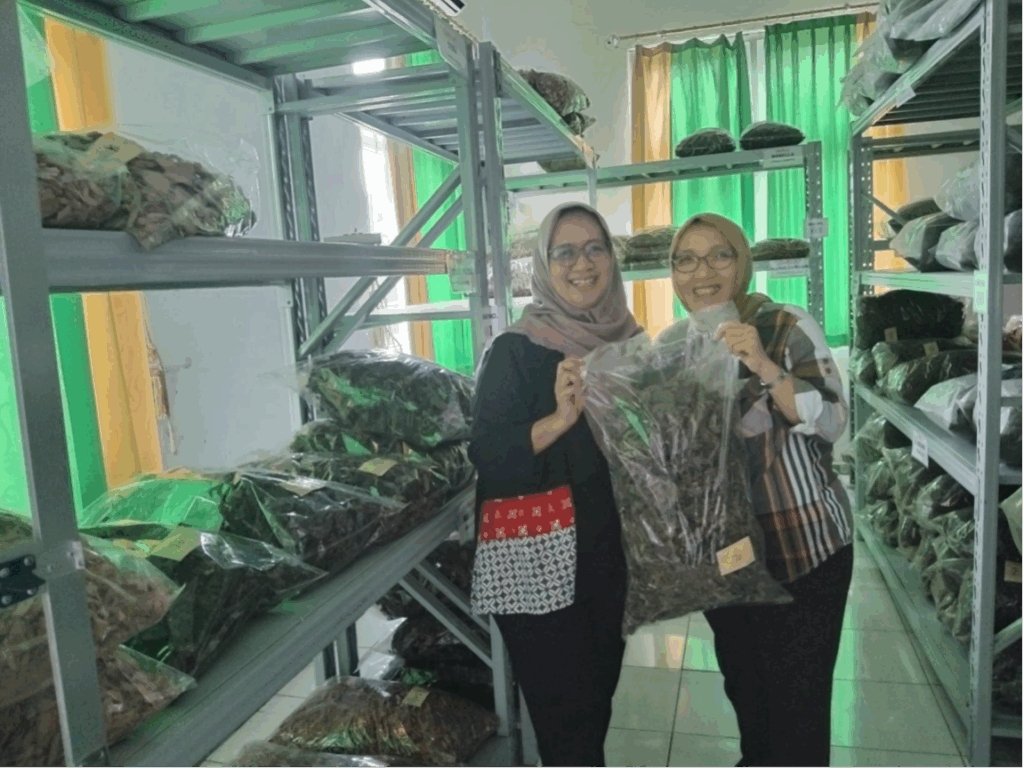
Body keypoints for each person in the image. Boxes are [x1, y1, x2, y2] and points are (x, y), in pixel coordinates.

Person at [668, 213, 854, 768]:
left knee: (798, 708)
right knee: (747, 693)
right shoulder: (672, 346)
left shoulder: (784, 324)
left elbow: (834, 423)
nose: (702, 272)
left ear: (742, 262)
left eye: (719, 255)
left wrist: (764, 365)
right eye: (686, 260)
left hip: (803, 550)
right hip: (727, 561)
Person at [468, 202, 645, 767]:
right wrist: (559, 420)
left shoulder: (630, 343)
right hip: (540, 567)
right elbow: (488, 455)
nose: (582, 264)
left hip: (611, 561)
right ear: (544, 265)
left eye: (595, 248)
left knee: (595, 706)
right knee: (568, 726)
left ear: (612, 259)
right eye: (564, 252)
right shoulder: (515, 350)